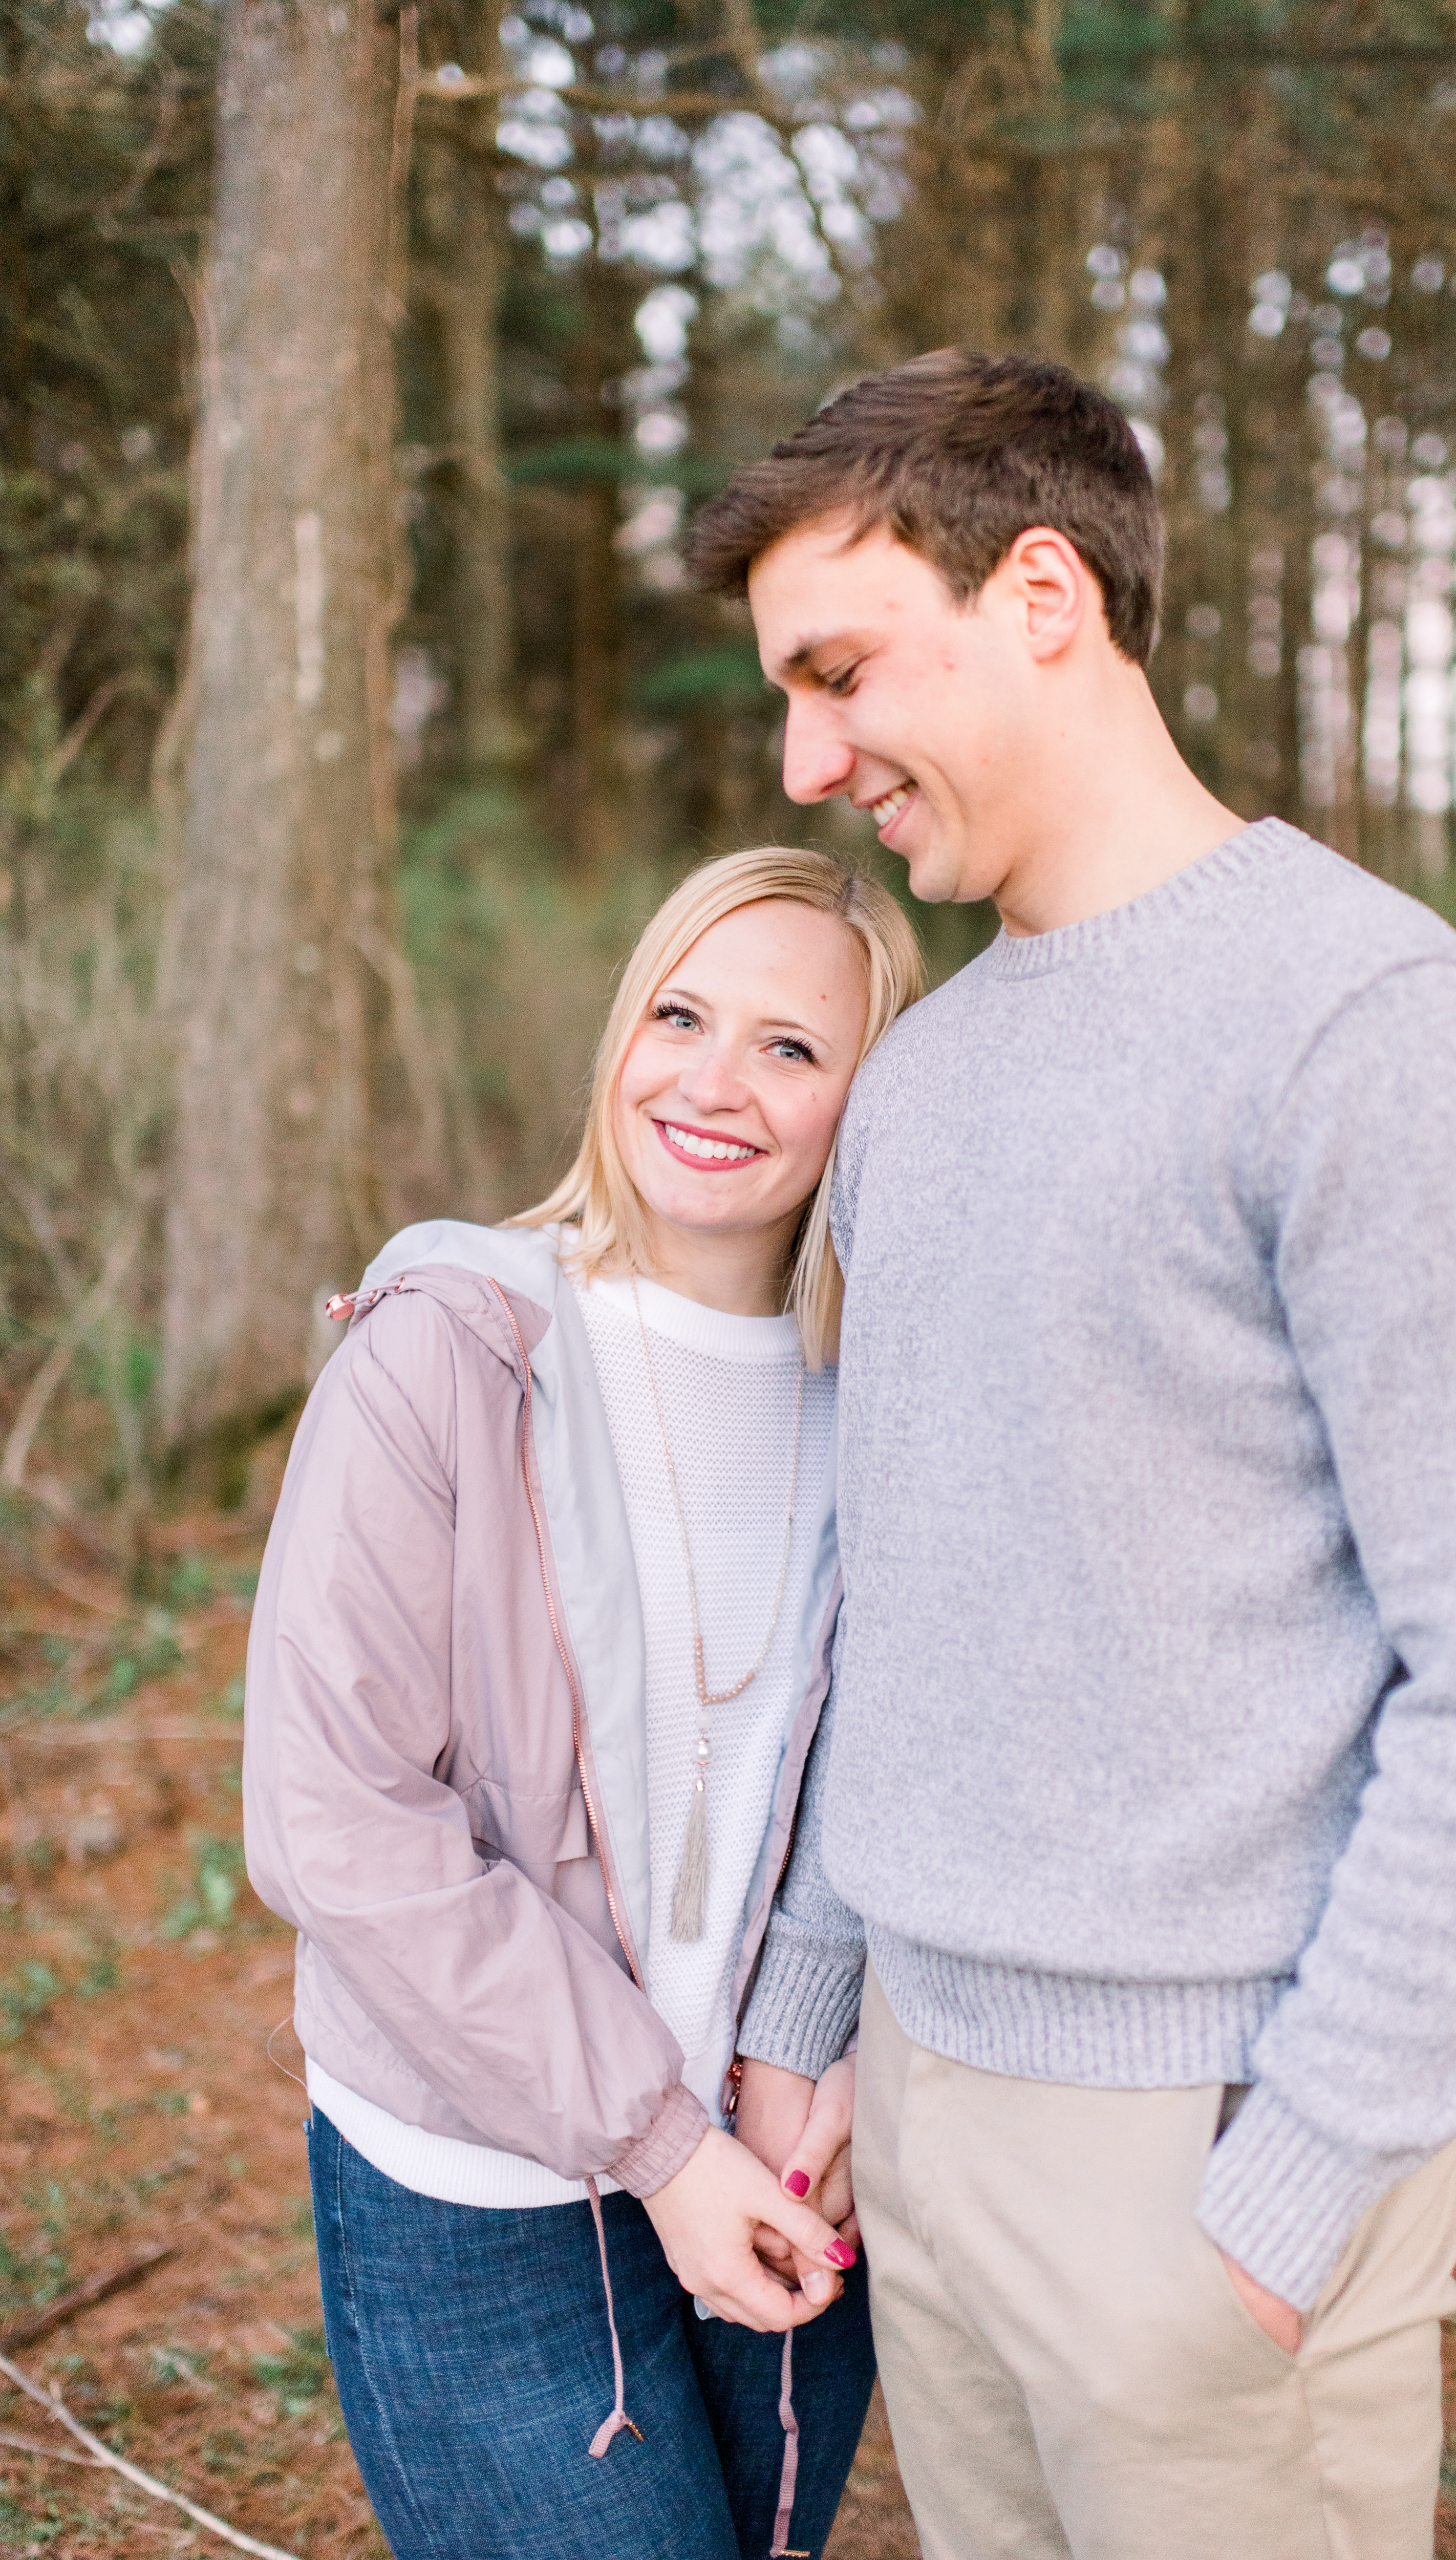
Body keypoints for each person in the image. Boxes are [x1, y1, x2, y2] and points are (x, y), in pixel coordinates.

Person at [688, 352, 1456, 2558]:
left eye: (838, 673)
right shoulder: (924, 1078)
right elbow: (901, 1588)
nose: (803, 759)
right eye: (782, 696)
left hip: (1205, 2162)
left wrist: (1282, 2195)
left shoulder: (1360, 1033)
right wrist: (814, 2008)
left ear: (1042, 590)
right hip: (917, 2129)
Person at [243, 847, 924, 2560]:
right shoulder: (449, 1352)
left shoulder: (896, 1397)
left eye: (790, 1048)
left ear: (867, 1099)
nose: (712, 1080)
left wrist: (798, 2047)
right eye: (680, 1015)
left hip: (780, 2147)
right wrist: (656, 2141)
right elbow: (336, 1823)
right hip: (483, 2192)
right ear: (620, 1035)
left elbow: (899, 1747)